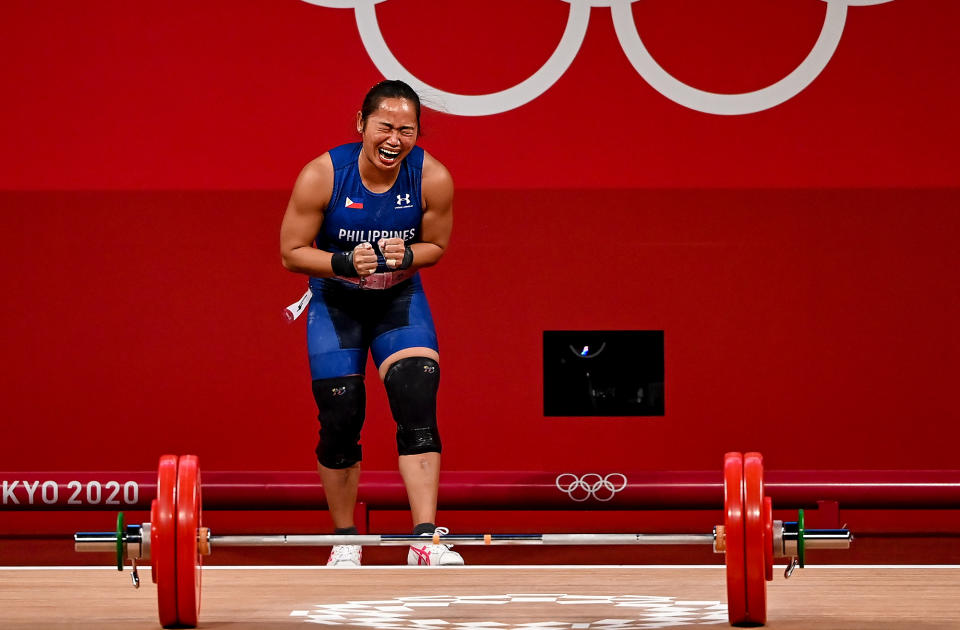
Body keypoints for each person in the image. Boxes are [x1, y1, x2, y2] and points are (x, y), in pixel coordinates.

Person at [280, 80, 462, 567]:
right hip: (337, 304)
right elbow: (290, 252)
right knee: (340, 416)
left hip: (398, 300)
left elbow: (437, 247)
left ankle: (425, 540)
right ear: (361, 124)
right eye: (385, 126)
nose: (395, 139)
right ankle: (345, 541)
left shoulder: (433, 178)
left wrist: (410, 253)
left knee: (417, 394)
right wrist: (342, 264)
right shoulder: (322, 175)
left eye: (407, 130)